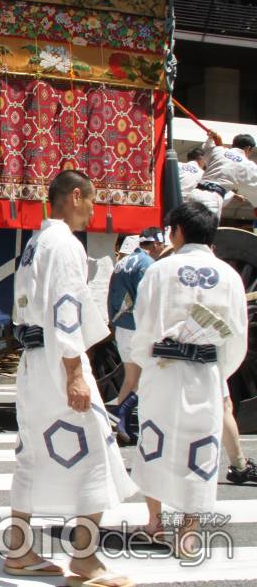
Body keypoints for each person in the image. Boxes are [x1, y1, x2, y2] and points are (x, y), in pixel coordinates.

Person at [5, 171, 136, 584]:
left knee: (30, 454)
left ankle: (20, 549)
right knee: (96, 448)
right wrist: (76, 372)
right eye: (93, 201)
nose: (94, 212)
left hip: (33, 361)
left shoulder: (36, 242)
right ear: (75, 196)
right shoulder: (63, 243)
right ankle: (84, 558)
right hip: (57, 360)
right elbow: (65, 309)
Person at [129, 200, 248, 557]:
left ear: (177, 231)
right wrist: (217, 372)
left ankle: (155, 522)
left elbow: (144, 325)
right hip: (206, 372)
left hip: (163, 370)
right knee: (201, 448)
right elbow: (238, 337)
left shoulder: (161, 270)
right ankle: (190, 532)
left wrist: (144, 362)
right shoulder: (228, 275)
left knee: (155, 443)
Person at [105, 227, 165, 443]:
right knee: (149, 378)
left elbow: (110, 293)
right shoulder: (148, 265)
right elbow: (147, 299)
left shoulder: (121, 263)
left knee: (131, 379)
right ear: (156, 244)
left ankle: (121, 425)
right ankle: (124, 416)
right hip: (139, 328)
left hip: (122, 326)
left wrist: (112, 321)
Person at [187, 132, 257, 217]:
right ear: (248, 148)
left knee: (184, 228)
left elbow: (205, 149)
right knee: (202, 230)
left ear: (233, 144)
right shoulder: (248, 166)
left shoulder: (219, 151)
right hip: (211, 200)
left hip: (194, 193)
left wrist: (211, 138)